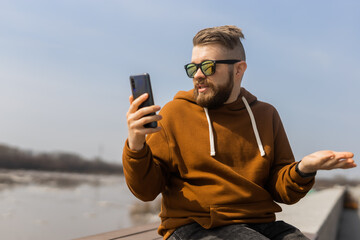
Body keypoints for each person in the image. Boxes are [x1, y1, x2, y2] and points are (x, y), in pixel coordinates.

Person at [123, 25, 356, 240]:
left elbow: (283, 191)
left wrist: (304, 169)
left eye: (207, 66)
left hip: (260, 223)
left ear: (239, 69)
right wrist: (136, 144)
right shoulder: (174, 114)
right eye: (193, 67)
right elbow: (146, 191)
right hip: (195, 225)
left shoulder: (266, 115)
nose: (197, 75)